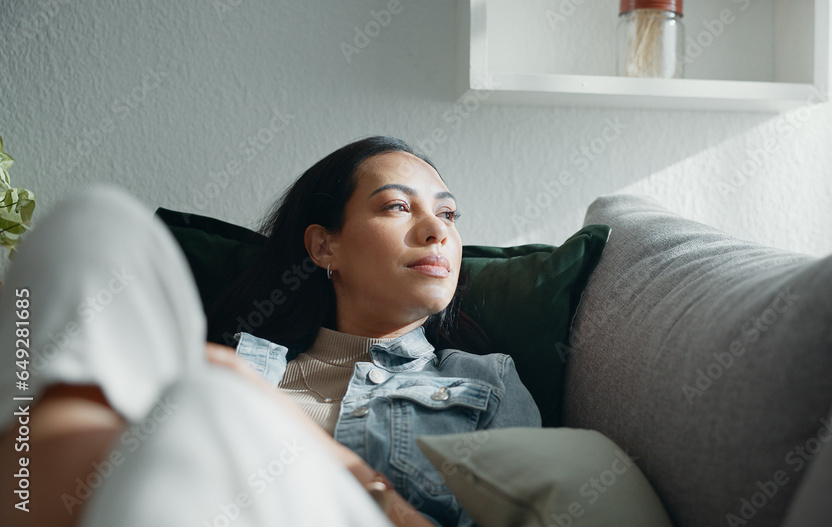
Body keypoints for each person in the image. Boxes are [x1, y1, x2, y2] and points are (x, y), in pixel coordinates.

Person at [0, 135, 541, 527]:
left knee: (210, 399)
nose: (436, 231)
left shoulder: (485, 385)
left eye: (449, 215)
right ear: (324, 246)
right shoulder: (232, 360)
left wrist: (349, 472)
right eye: (398, 206)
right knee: (95, 223)